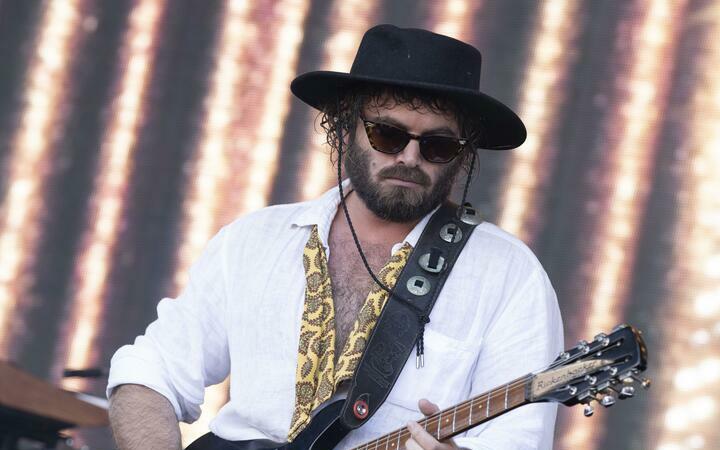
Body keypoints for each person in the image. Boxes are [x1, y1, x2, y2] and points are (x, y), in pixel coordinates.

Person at [107, 25, 563, 450]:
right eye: (387, 134)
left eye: (437, 145)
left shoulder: (510, 277)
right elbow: (150, 372)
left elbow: (518, 439)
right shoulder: (254, 241)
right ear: (344, 126)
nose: (409, 157)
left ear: (461, 157)